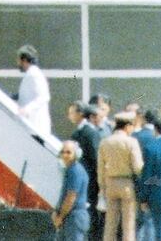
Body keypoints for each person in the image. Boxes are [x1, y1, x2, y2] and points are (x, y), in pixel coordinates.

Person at [97, 111, 144, 241]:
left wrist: (102, 187)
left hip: (110, 183)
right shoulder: (131, 142)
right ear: (127, 126)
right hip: (126, 184)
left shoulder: (105, 142)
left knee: (110, 223)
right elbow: (138, 167)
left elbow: (100, 169)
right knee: (128, 224)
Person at [66, 101, 101, 240]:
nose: (69, 116)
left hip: (90, 180)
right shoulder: (78, 133)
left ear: (81, 114)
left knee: (90, 212)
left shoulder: (89, 132)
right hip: (83, 180)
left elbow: (95, 158)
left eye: (72, 112)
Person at [53, 140, 90, 241]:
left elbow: (71, 197)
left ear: (76, 154)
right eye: (63, 152)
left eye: (68, 152)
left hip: (74, 217)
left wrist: (60, 216)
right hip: (69, 217)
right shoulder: (70, 170)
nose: (65, 155)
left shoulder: (75, 171)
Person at [132, 109, 158, 241]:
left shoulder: (135, 136)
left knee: (140, 219)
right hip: (157, 181)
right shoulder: (157, 136)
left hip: (139, 180)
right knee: (153, 220)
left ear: (143, 118)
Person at [16, 45, 51, 136]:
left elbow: (44, 96)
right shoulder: (31, 74)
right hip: (31, 126)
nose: (17, 63)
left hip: (36, 126)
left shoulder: (34, 74)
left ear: (24, 60)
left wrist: (26, 109)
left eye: (19, 60)